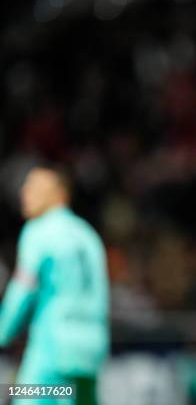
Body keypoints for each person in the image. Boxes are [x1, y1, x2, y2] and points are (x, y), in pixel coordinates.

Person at [0, 165, 110, 405]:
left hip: (54, 351)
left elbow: (22, 290)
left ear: (60, 195)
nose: (25, 192)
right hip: (90, 350)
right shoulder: (88, 234)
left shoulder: (38, 230)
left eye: (35, 187)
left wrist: (3, 331)